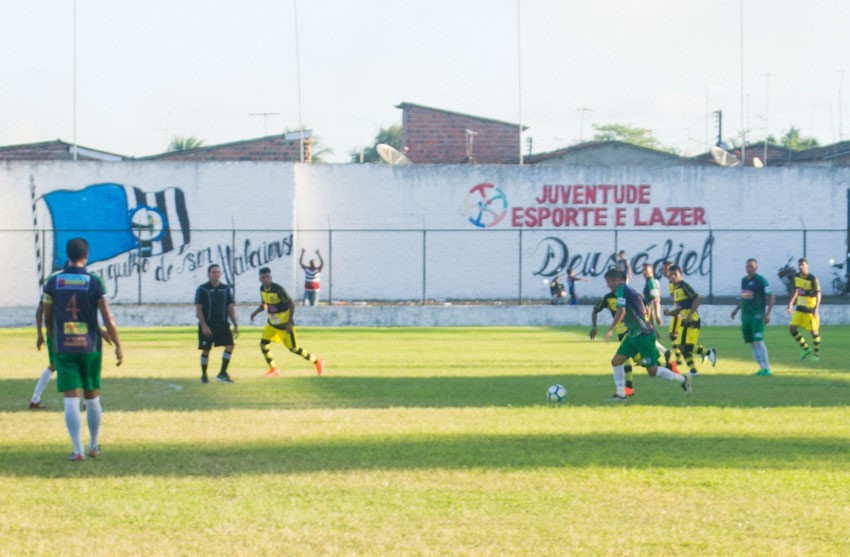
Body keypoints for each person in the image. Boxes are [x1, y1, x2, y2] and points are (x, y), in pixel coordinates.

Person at [42, 237, 122, 461]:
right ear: (86, 256)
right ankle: (94, 445)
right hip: (90, 346)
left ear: (68, 255)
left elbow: (47, 315)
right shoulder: (95, 282)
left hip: (64, 346)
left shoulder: (53, 282)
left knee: (71, 399)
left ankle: (78, 450)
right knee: (92, 396)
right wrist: (118, 344)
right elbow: (107, 316)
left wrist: (52, 336)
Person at [602, 269, 690, 402]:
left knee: (652, 371)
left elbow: (621, 311)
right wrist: (652, 326)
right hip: (633, 335)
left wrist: (610, 329)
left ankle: (683, 379)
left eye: (609, 282)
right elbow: (647, 307)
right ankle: (621, 394)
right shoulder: (630, 290)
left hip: (643, 336)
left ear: (618, 280)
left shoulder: (621, 289)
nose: (608, 285)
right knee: (616, 361)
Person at [249, 267, 325, 377]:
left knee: (294, 349)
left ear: (271, 277)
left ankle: (317, 361)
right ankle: (273, 369)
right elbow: (264, 304)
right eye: (263, 277)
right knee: (263, 345)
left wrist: (289, 322)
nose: (265, 279)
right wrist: (254, 313)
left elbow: (291, 304)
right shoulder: (262, 288)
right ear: (259, 278)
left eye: (267, 277)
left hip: (284, 326)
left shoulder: (278, 289)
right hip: (271, 324)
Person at [664, 264, 717, 376]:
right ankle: (693, 370)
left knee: (686, 346)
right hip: (685, 320)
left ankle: (708, 352)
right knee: (681, 346)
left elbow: (696, 298)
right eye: (671, 275)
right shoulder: (677, 290)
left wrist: (690, 314)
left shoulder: (684, 286)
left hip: (692, 319)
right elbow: (679, 308)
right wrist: (669, 313)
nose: (673, 277)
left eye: (675, 274)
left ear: (681, 274)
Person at [730, 258, 775, 375]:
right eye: (747, 266)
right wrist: (736, 309)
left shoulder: (761, 281)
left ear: (756, 267)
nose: (749, 268)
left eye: (751, 266)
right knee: (752, 343)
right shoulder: (744, 280)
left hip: (757, 315)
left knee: (759, 341)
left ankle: (767, 368)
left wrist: (768, 313)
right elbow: (745, 297)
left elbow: (771, 296)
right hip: (746, 316)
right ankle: (762, 368)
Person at [195, 264, 239, 383]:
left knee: (230, 345)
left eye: (218, 272)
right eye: (214, 272)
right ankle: (204, 375)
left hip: (222, 324)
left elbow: (230, 307)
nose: (216, 274)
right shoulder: (202, 289)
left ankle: (222, 373)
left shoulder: (225, 289)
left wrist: (235, 324)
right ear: (209, 274)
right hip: (208, 324)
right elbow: (199, 309)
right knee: (206, 349)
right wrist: (204, 326)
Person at [590, 290, 636, 397]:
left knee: (629, 358)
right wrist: (594, 327)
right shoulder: (608, 297)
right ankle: (628, 387)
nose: (609, 285)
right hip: (621, 331)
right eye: (608, 283)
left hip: (631, 328)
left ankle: (628, 387)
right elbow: (595, 310)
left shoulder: (628, 293)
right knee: (627, 358)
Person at [786, 257, 821, 361]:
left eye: (803, 265)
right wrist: (790, 304)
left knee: (814, 333)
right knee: (792, 328)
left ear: (807, 266)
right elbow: (796, 291)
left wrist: (816, 308)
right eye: (799, 265)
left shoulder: (812, 278)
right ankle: (806, 348)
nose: (801, 267)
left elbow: (818, 293)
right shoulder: (797, 276)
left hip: (810, 309)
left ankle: (816, 355)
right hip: (800, 308)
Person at [642, 263, 675, 371]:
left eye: (646, 270)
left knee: (647, 338)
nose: (644, 272)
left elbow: (656, 299)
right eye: (643, 270)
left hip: (648, 312)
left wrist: (657, 314)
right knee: (648, 338)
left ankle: (657, 360)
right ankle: (664, 354)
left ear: (651, 271)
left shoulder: (651, 282)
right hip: (647, 311)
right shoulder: (649, 281)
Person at [661, 261, 682, 373]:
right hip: (678, 311)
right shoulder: (671, 282)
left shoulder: (674, 283)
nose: (665, 271)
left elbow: (678, 298)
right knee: (675, 335)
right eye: (663, 269)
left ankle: (678, 358)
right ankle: (678, 357)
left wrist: (677, 311)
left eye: (667, 269)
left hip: (678, 312)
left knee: (673, 335)